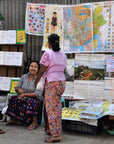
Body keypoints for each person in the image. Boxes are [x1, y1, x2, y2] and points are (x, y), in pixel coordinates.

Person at [35, 34, 67, 143]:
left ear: (49, 43)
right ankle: (50, 129)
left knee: (52, 110)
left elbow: (42, 70)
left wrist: (35, 81)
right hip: (61, 82)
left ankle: (56, 135)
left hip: (52, 83)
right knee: (55, 108)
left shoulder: (47, 53)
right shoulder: (63, 54)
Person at [5, 61, 43, 130]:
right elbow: (17, 87)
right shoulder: (24, 77)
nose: (33, 68)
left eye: (35, 67)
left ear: (38, 69)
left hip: (35, 98)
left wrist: (25, 94)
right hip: (24, 97)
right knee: (13, 98)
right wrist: (18, 90)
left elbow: (37, 94)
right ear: (28, 67)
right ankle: (15, 119)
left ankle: (34, 122)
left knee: (31, 102)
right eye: (31, 66)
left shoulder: (40, 79)